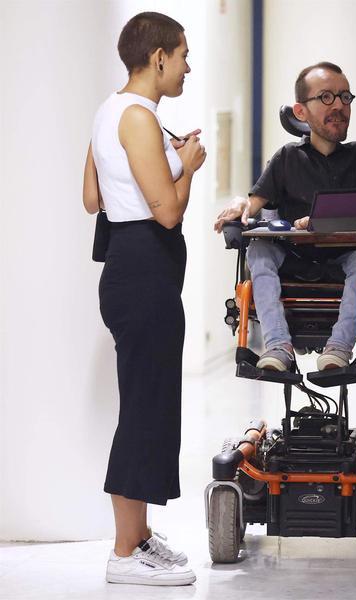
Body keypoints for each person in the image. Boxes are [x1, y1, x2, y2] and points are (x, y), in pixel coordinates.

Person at [82, 11, 206, 586]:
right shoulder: (137, 117)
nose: (187, 67)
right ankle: (124, 553)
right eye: (182, 56)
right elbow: (169, 210)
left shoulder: (111, 112)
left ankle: (138, 536)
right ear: (158, 58)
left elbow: (93, 198)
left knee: (146, 404)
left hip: (129, 269)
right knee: (144, 410)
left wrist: (166, 158)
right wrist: (189, 167)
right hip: (143, 274)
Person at [214, 62, 356, 372]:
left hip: (344, 257)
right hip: (294, 258)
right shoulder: (287, 158)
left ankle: (338, 348)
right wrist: (241, 203)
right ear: (301, 111)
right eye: (326, 97)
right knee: (259, 251)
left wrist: (321, 222)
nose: (338, 106)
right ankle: (278, 345)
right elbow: (254, 203)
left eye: (345, 97)